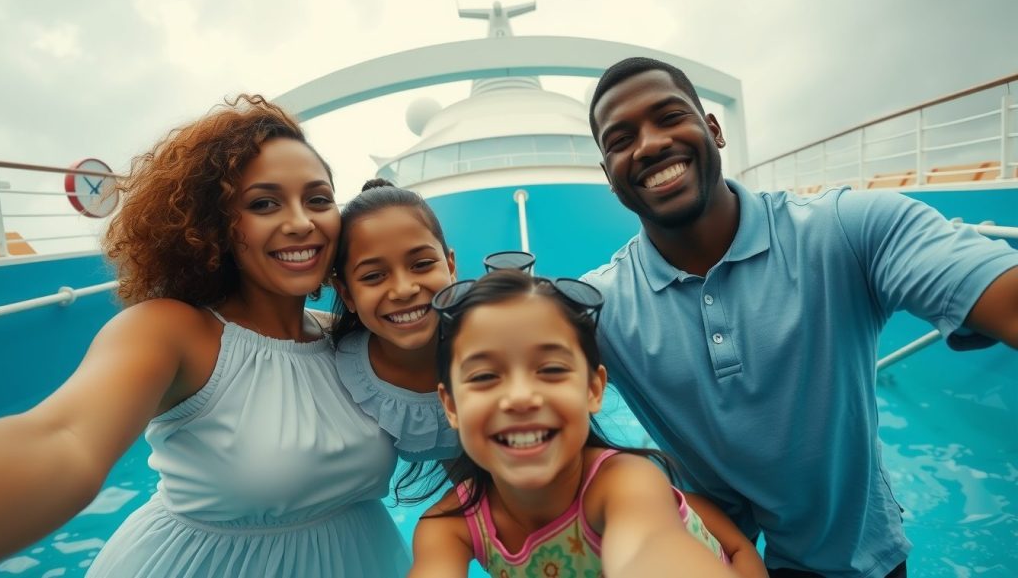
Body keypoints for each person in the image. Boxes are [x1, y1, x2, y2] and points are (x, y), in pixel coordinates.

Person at [582, 56, 1018, 577]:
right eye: (621, 139)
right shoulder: (600, 306)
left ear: (714, 130)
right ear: (610, 177)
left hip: (855, 559)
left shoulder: (846, 231)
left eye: (670, 116)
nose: (650, 144)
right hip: (707, 553)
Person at [0, 95, 410, 576]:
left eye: (317, 199)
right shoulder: (172, 331)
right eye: (263, 203)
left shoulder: (352, 339)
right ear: (216, 224)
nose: (301, 222)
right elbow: (64, 439)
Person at [408, 266, 767, 578]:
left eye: (550, 369)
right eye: (485, 376)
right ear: (451, 405)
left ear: (594, 389)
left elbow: (648, 546)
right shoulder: (450, 525)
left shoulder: (624, 484)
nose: (519, 397)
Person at [328, 179, 460, 465]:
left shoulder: (493, 345)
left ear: (451, 267)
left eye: (422, 264)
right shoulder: (339, 369)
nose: (404, 289)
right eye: (373, 275)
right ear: (346, 293)